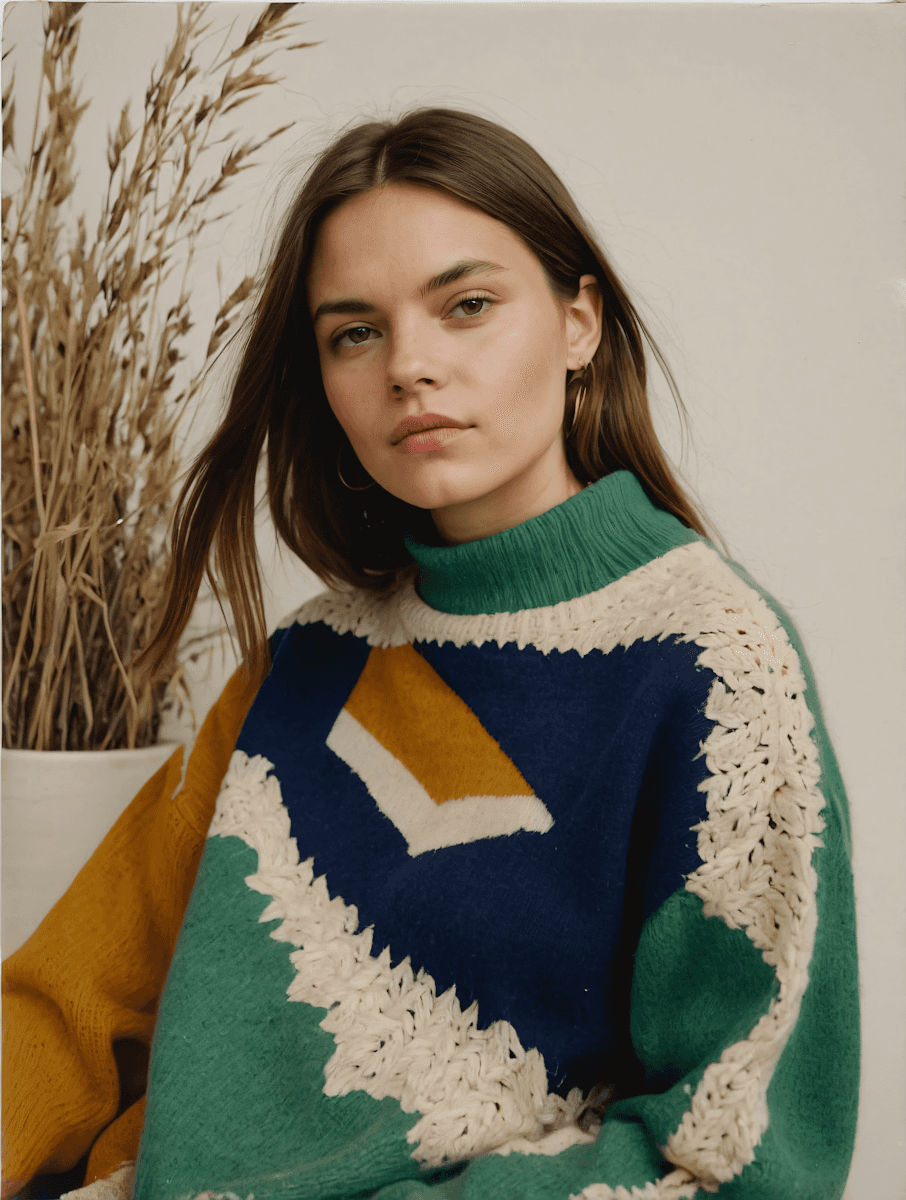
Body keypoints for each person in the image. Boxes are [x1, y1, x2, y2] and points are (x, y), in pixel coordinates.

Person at [2, 107, 859, 1200]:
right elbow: (71, 1001)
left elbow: (740, 1159)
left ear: (579, 320)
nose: (410, 367)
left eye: (467, 307)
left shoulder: (715, 669)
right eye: (353, 332)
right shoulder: (306, 662)